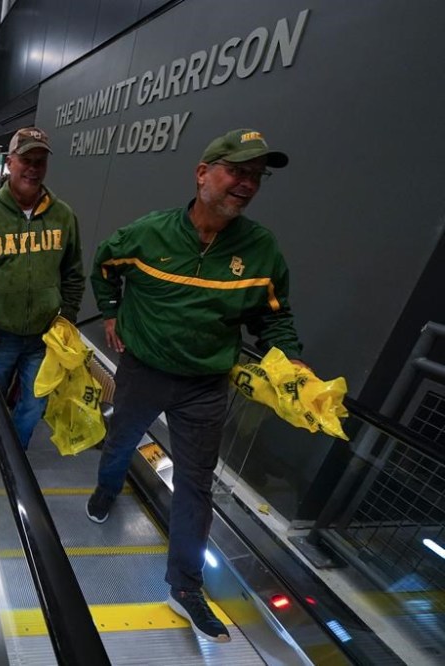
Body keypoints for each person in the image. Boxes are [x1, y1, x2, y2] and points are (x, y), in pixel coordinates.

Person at [86, 128, 304, 644]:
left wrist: (291, 363)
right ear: (203, 173)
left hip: (205, 387)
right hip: (143, 371)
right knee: (121, 440)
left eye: (256, 177)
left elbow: (274, 317)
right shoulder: (148, 234)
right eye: (237, 172)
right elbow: (103, 268)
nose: (247, 185)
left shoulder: (260, 250)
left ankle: (184, 587)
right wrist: (113, 313)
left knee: (196, 485)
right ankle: (106, 488)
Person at [0, 126, 84, 449]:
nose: (33, 168)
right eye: (26, 159)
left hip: (43, 337)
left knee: (34, 404)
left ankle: (14, 456)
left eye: (40, 161)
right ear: (10, 162)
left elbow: (74, 273)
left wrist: (65, 317)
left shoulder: (63, 217)